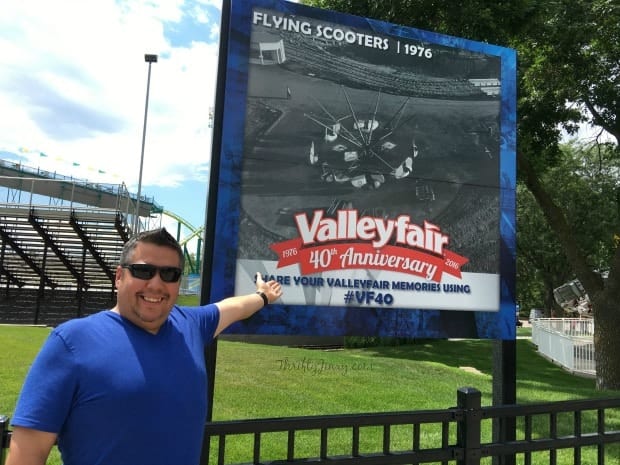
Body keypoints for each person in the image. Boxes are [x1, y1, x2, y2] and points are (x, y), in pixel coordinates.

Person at [6, 227, 283, 465]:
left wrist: (263, 295)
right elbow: (27, 454)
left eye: (169, 274)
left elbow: (233, 307)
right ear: (119, 276)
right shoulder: (71, 341)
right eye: (143, 270)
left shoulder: (190, 324)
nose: (156, 284)